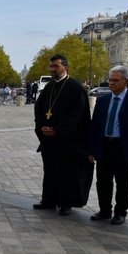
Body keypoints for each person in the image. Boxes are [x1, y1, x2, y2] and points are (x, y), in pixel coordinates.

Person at [33, 54, 92, 216]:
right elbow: (39, 109)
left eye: (56, 66)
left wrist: (57, 130)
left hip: (67, 140)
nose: (53, 69)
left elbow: (77, 115)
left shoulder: (75, 88)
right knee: (50, 170)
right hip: (49, 140)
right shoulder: (49, 87)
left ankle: (66, 203)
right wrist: (41, 127)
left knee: (67, 173)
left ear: (65, 67)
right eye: (51, 66)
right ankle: (49, 200)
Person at [88, 65, 128, 225]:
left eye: (115, 80)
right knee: (103, 181)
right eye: (110, 80)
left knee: (123, 182)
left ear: (126, 81)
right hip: (104, 145)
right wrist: (91, 150)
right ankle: (104, 210)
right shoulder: (102, 101)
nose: (111, 83)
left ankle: (120, 212)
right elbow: (95, 126)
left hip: (122, 147)